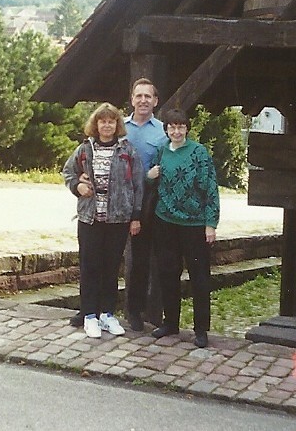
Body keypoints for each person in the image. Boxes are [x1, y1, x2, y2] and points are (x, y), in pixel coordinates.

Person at [62, 102, 143, 339]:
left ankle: (107, 314)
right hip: (90, 219)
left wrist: (135, 216)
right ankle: (89, 315)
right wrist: (77, 186)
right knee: (90, 267)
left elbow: (138, 184)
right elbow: (68, 172)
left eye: (111, 121)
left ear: (117, 125)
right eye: (102, 121)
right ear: (96, 125)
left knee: (111, 267)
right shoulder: (85, 149)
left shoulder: (127, 150)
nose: (107, 126)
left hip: (118, 219)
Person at [147, 108, 219, 348]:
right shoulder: (161, 151)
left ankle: (201, 329)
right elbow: (150, 180)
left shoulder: (199, 152)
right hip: (165, 221)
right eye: (172, 127)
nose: (176, 131)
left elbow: (211, 187)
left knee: (199, 278)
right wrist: (149, 176)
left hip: (194, 224)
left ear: (187, 128)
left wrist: (210, 223)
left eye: (181, 127)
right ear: (166, 129)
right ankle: (170, 323)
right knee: (168, 274)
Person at [124, 78, 167, 332]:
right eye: (138, 96)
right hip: (120, 202)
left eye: (147, 96)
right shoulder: (119, 127)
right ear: (132, 99)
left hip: (148, 203)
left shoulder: (163, 132)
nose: (143, 100)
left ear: (155, 101)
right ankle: (100, 310)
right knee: (110, 258)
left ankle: (140, 312)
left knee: (144, 261)